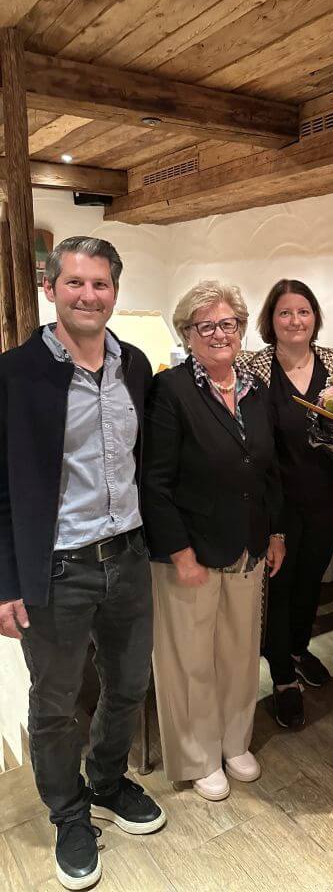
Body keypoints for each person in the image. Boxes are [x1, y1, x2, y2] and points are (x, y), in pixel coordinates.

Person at [0, 237, 165, 891]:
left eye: (100, 284)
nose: (88, 295)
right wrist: (5, 583)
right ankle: (68, 813)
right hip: (57, 569)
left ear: (115, 292)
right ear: (51, 288)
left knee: (128, 684)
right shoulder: (15, 374)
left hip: (128, 556)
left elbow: (146, 465)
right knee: (56, 702)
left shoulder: (135, 367)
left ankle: (106, 781)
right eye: (75, 282)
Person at [142, 281, 285, 801]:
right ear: (188, 333)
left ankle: (234, 741)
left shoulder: (255, 388)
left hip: (248, 544)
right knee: (191, 658)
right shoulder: (170, 390)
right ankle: (199, 754)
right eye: (206, 326)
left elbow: (269, 468)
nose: (219, 334)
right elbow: (154, 481)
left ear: (241, 330)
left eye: (228, 324)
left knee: (240, 651)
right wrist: (179, 553)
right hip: (192, 550)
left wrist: (275, 531)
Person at [241, 280, 333, 729]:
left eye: (303, 311)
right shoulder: (252, 368)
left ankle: (297, 649)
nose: (295, 320)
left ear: (315, 317)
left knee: (310, 582)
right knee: (279, 586)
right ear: (271, 320)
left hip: (328, 496)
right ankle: (282, 676)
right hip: (276, 501)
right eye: (285, 312)